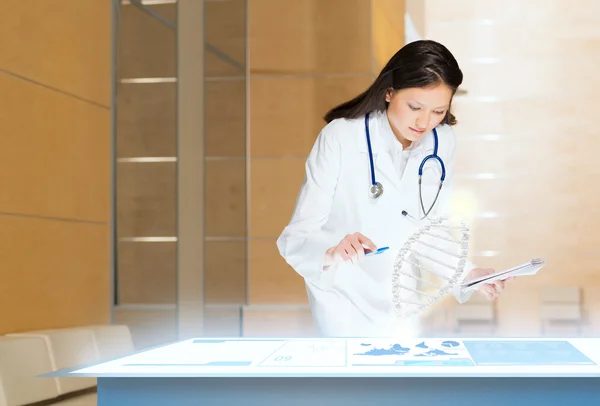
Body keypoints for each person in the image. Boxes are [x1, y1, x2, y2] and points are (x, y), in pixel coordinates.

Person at [276, 40, 511, 338]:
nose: (425, 122)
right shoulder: (340, 137)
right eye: (415, 107)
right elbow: (295, 238)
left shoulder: (442, 141)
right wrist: (333, 251)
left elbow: (428, 229)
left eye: (438, 111)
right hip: (344, 303)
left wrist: (468, 274)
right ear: (389, 92)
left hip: (402, 300)